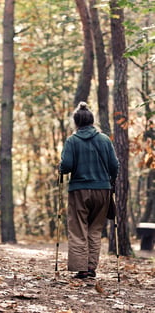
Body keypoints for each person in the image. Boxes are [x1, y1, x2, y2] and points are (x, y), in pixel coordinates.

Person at [59, 102, 119, 279]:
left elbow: (67, 165)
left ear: (76, 122)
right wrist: (110, 180)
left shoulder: (72, 140)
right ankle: (91, 267)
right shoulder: (104, 139)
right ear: (92, 121)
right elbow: (114, 165)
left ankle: (81, 268)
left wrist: (60, 168)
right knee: (95, 229)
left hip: (79, 190)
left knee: (78, 229)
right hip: (102, 190)